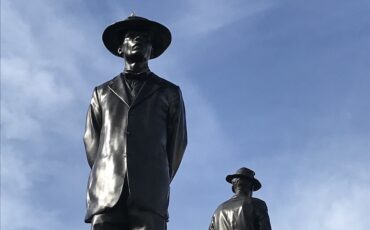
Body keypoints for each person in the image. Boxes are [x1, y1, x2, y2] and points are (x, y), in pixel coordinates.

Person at [83, 14, 187, 230]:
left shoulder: (169, 92)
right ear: (121, 48)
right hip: (106, 187)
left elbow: (177, 144)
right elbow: (91, 142)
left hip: (150, 190)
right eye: (131, 36)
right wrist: (109, 166)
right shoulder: (101, 92)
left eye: (144, 38)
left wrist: (156, 173)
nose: (138, 40)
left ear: (152, 50)